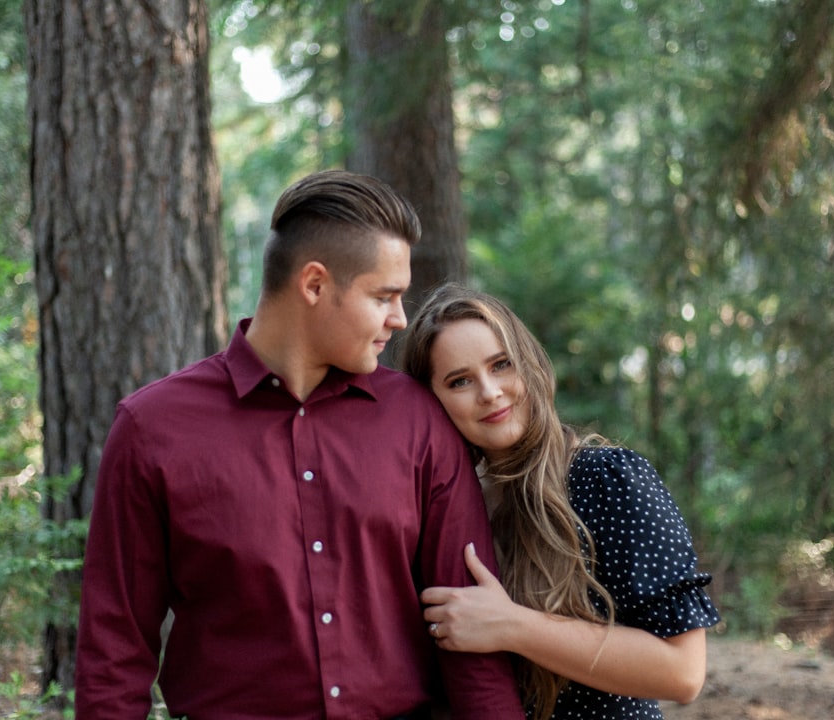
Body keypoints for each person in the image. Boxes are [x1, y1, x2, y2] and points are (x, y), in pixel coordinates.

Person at [74, 172, 526, 719]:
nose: (399, 319)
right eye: (384, 296)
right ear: (314, 285)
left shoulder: (418, 421)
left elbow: (471, 632)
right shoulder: (152, 429)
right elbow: (114, 653)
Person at [399, 283, 722, 720]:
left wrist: (511, 625)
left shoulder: (608, 480)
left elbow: (682, 671)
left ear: (529, 363)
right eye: (460, 381)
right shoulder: (452, 508)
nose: (490, 392)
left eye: (501, 365)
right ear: (431, 403)